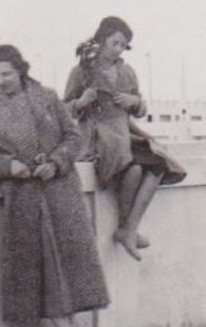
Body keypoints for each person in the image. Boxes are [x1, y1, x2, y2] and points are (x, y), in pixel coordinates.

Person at [0, 44, 109, 327]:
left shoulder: (48, 97)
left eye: (6, 74)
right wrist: (6, 166)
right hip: (24, 196)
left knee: (70, 261)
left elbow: (74, 137)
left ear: (21, 70)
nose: (1, 81)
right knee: (43, 264)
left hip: (60, 191)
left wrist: (56, 162)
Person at [63, 15, 187, 260]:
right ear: (101, 41)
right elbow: (64, 111)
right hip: (98, 135)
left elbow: (141, 109)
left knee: (158, 165)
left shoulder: (127, 71)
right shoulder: (81, 71)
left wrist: (136, 102)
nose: (118, 50)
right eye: (114, 43)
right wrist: (82, 101)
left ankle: (128, 228)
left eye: (123, 45)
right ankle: (127, 229)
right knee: (132, 171)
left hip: (125, 132)